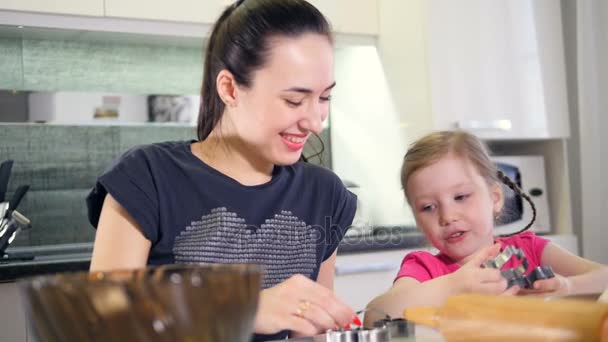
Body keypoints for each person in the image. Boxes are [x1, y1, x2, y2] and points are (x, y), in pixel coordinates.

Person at [85, 0, 358, 339]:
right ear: (229, 88)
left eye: (324, 98)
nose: (316, 122)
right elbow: (102, 321)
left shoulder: (323, 194)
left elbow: (310, 332)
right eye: (294, 100)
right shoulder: (147, 177)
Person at [365, 130, 608, 323]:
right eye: (428, 207)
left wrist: (567, 287)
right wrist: (453, 286)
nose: (447, 216)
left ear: (495, 198)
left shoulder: (530, 249)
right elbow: (375, 314)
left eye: (461, 197)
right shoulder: (425, 268)